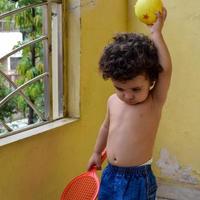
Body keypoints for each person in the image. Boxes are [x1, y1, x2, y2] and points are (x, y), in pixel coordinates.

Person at [87, 7, 171, 200]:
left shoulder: (153, 102)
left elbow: (165, 71)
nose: (127, 96)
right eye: (119, 88)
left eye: (135, 89)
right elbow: (106, 127)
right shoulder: (112, 101)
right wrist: (96, 152)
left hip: (137, 179)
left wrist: (156, 33)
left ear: (151, 82)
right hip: (110, 173)